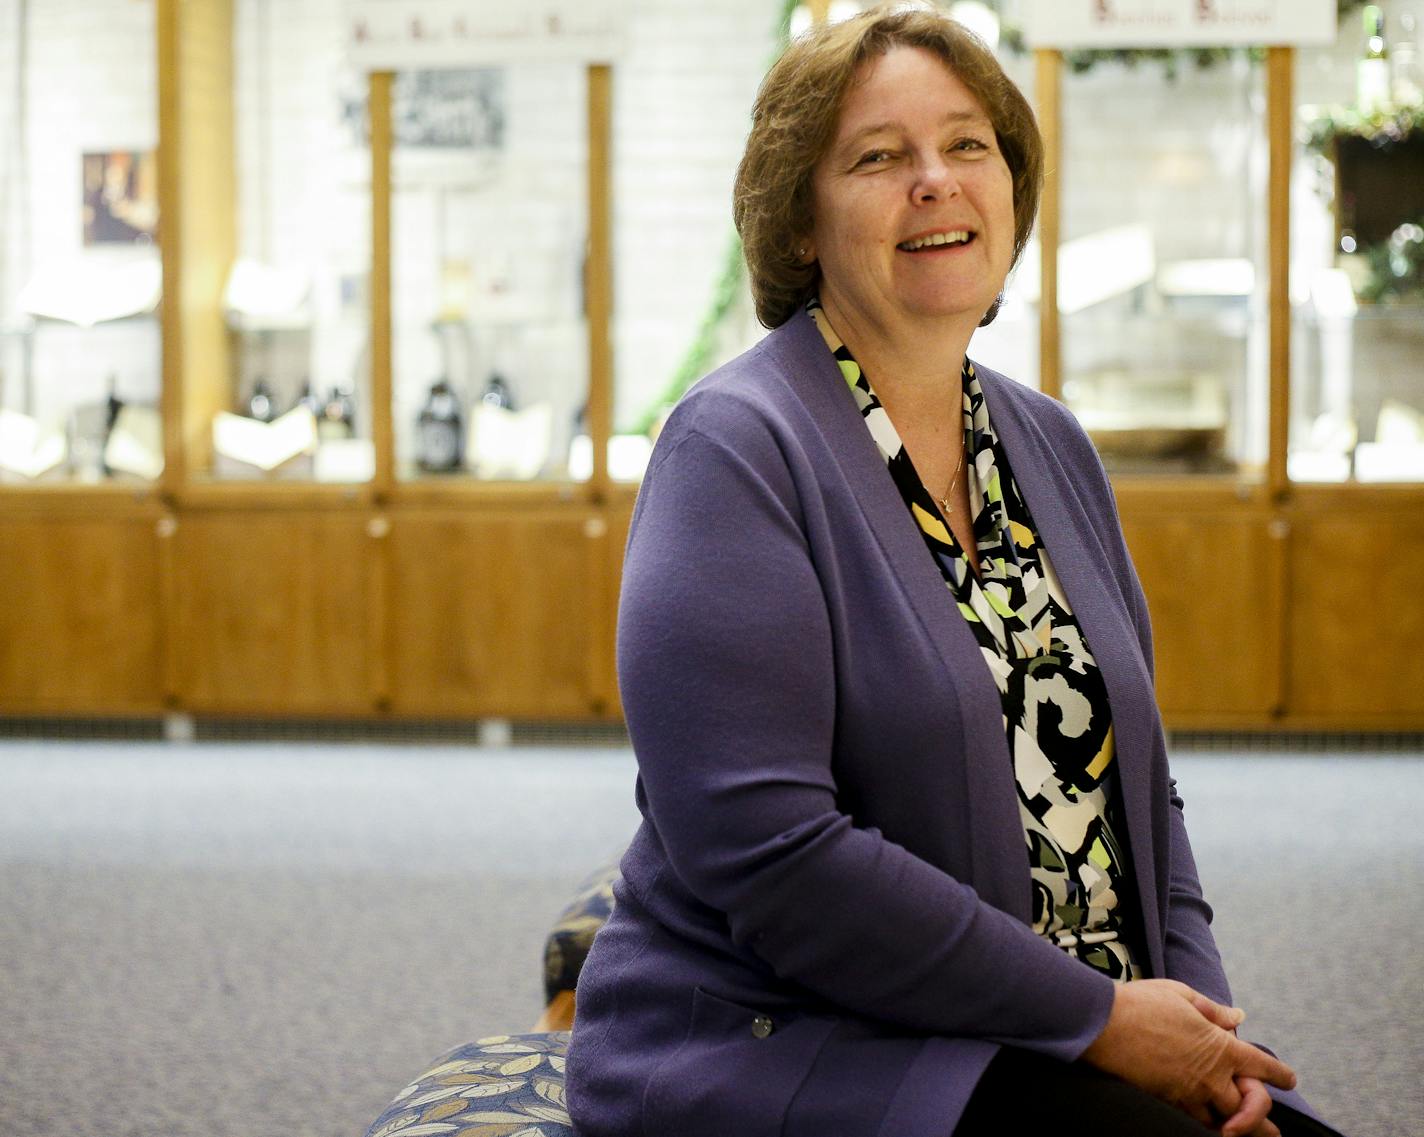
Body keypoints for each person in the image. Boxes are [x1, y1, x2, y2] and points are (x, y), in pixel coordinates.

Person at [566, 6, 1342, 1136]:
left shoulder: (1048, 443)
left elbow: (1140, 798)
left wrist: (1202, 1027)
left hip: (1056, 1023)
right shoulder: (732, 447)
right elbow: (774, 856)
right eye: (877, 157)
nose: (933, 180)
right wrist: (1101, 1022)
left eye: (966, 145)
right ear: (798, 225)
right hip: (795, 1038)